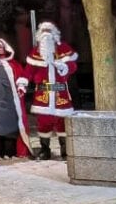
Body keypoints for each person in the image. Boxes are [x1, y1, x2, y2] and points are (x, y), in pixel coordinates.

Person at [23, 21, 77, 160]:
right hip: (43, 94)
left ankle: (65, 150)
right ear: (40, 35)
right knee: (43, 122)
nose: (46, 34)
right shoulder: (36, 52)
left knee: (62, 122)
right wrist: (22, 83)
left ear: (55, 34)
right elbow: (28, 71)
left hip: (61, 93)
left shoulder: (63, 48)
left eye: (49, 31)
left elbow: (72, 66)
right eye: (44, 31)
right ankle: (45, 150)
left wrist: (63, 67)